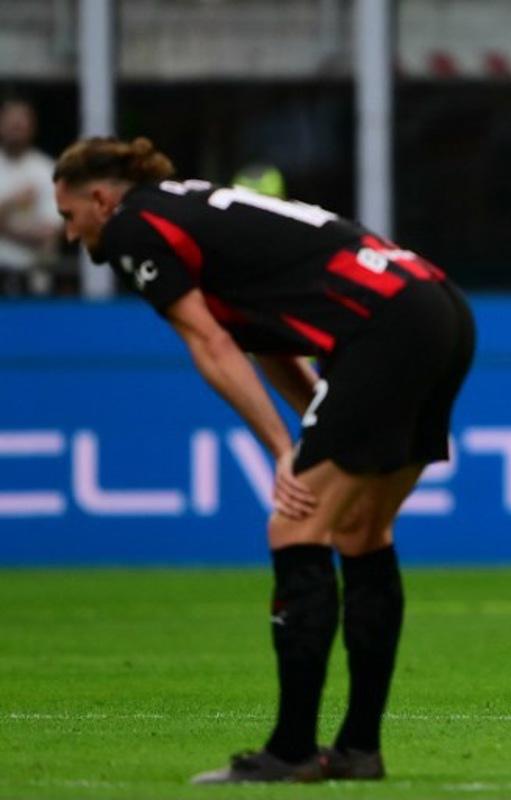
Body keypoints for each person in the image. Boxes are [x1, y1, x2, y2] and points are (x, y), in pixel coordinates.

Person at [53, 137, 475, 781]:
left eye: (70, 213)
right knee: (361, 532)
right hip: (437, 306)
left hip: (386, 327)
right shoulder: (190, 208)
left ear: (103, 198)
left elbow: (212, 344)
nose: (68, 231)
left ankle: (292, 751)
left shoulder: (134, 228)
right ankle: (358, 749)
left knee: (294, 526)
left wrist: (283, 449)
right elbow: (266, 339)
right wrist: (306, 432)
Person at [0, 100, 62, 296]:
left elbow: (49, 232)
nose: (15, 129)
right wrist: (12, 203)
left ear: (32, 128)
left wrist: (3, 226)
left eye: (20, 124)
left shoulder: (46, 170)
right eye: (11, 123)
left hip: (30, 279)